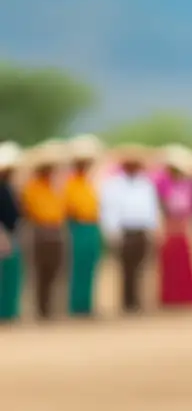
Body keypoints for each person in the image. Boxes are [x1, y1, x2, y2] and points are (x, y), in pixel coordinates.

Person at [100, 144, 161, 313]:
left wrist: (153, 228)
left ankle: (137, 301)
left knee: (140, 268)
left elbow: (151, 208)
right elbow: (110, 209)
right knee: (126, 268)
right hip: (124, 231)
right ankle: (126, 302)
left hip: (141, 230)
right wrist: (112, 232)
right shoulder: (114, 184)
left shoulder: (145, 184)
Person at [19, 141, 67, 320]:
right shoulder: (31, 188)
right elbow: (31, 210)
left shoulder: (55, 188)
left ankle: (50, 307)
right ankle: (41, 309)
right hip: (39, 231)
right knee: (40, 270)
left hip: (55, 230)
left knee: (55, 270)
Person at [64, 134, 105, 317]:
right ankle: (76, 306)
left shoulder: (89, 183)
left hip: (92, 226)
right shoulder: (69, 184)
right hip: (77, 226)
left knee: (90, 267)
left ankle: (87, 304)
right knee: (77, 267)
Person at [155, 144, 192, 308]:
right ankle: (169, 297)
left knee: (184, 263)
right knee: (169, 264)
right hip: (169, 225)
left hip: (182, 226)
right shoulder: (162, 184)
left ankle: (185, 296)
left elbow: (190, 208)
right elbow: (160, 205)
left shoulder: (188, 185)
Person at [0, 142, 24, 322]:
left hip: (11, 233)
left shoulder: (8, 188)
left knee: (11, 274)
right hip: (3, 235)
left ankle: (8, 311)